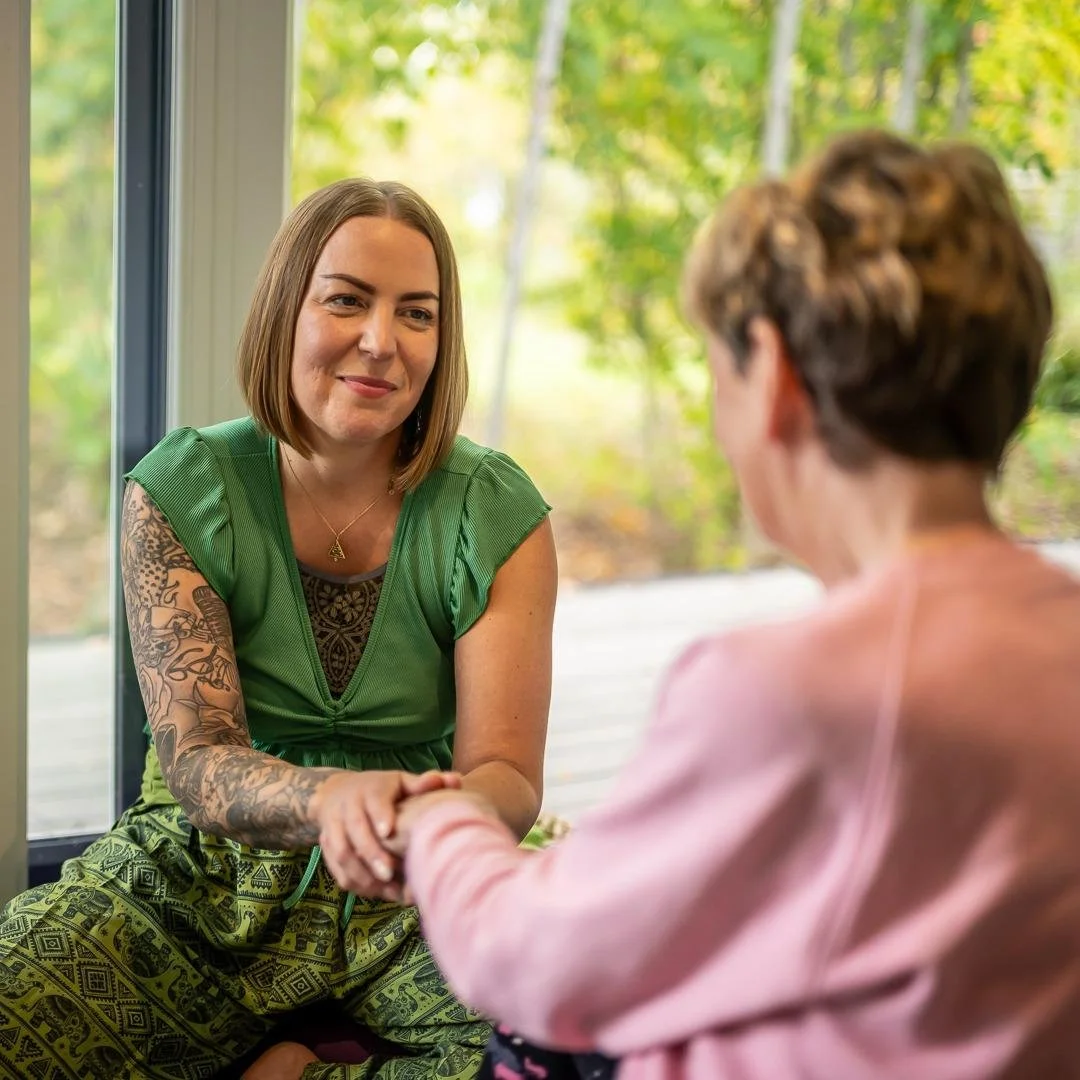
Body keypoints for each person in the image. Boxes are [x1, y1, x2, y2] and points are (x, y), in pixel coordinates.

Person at [383, 130, 1080, 1080]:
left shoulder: (785, 690)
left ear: (776, 374)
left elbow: (527, 962)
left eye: (720, 375)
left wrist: (440, 827)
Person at [0, 178, 557, 1079]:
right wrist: (335, 800)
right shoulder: (183, 487)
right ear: (284, 309)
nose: (381, 342)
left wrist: (422, 821)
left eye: (417, 314)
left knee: (588, 1038)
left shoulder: (496, 509)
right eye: (346, 300)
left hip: (420, 879)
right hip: (200, 877)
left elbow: (508, 776)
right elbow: (201, 763)